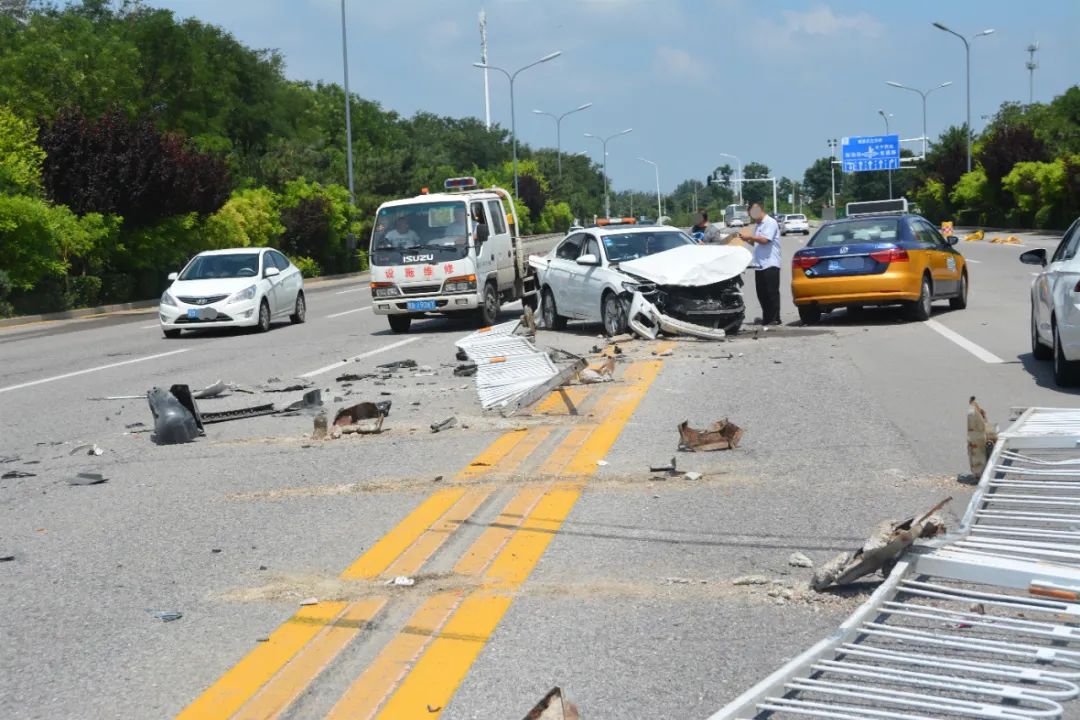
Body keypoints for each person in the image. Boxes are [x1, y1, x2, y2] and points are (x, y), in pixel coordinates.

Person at [742, 201, 782, 326]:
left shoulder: (770, 222)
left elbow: (765, 240)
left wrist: (750, 236)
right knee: (762, 293)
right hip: (759, 264)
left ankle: (775, 318)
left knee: (771, 292)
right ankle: (767, 317)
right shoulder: (758, 225)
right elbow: (756, 243)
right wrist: (747, 239)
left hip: (771, 263)